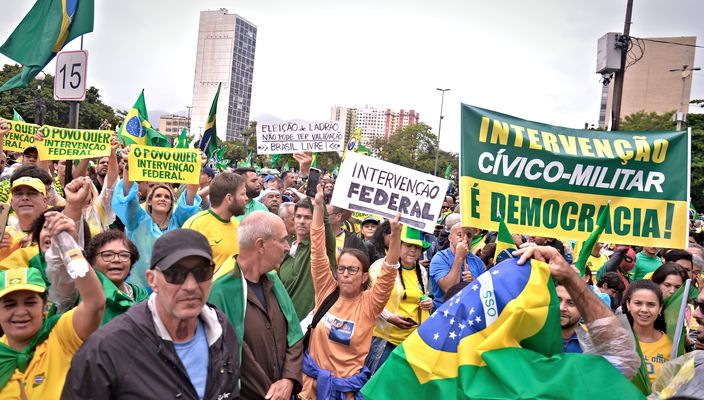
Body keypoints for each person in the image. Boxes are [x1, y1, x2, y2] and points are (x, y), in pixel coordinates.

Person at [62, 229, 240, 399]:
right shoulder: (106, 348)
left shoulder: (220, 329)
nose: (191, 286)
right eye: (175, 274)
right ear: (152, 280)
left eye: (202, 272)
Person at [300, 185, 400, 399]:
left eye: (352, 269)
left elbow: (388, 272)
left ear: (364, 276)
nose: (344, 273)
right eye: (341, 268)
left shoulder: (370, 304)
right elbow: (317, 252)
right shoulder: (326, 290)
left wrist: (397, 234)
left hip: (345, 392)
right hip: (309, 389)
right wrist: (318, 208)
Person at [0, 212, 105, 399]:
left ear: (43, 305)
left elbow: (94, 302)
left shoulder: (60, 336)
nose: (21, 311)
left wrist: (66, 242)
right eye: (9, 304)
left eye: (30, 302)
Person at [209, 211, 303, 400]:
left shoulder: (274, 282)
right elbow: (229, 357)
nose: (287, 247)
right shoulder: (220, 290)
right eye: (283, 240)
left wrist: (288, 380)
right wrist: (271, 393)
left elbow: (295, 336)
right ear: (261, 245)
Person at [112, 147, 202, 290]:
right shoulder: (137, 221)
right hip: (138, 287)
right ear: (149, 201)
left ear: (172, 203)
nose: (163, 199)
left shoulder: (178, 221)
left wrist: (197, 167)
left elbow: (190, 194)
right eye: (158, 196)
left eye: (167, 197)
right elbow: (127, 193)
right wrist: (128, 163)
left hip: (171, 285)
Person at [365, 225, 432, 373]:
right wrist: (389, 317)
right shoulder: (381, 267)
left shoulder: (421, 270)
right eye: (408, 245)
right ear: (398, 245)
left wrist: (427, 302)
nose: (413, 250)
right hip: (384, 340)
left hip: (410, 341)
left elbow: (422, 296)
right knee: (375, 385)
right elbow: (370, 299)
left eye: (417, 247)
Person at [279, 197, 337, 320]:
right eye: (298, 216)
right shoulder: (285, 247)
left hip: (312, 324)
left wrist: (318, 205)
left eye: (308, 217)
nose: (301, 221)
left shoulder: (321, 247)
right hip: (285, 322)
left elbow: (325, 223)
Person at [183, 172, 248, 279]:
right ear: (229, 198)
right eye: (243, 194)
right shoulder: (196, 225)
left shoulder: (238, 226)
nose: (246, 198)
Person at [622, 280, 672, 384]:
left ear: (660, 309)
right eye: (638, 303)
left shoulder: (671, 345)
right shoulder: (617, 341)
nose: (644, 309)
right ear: (628, 305)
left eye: (651, 304)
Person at [429, 222, 485, 312]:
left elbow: (485, 290)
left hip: (469, 314)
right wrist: (459, 257)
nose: (465, 239)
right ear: (450, 238)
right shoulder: (440, 258)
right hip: (445, 314)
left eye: (469, 235)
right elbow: (449, 288)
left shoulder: (477, 261)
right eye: (460, 235)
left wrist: (474, 281)